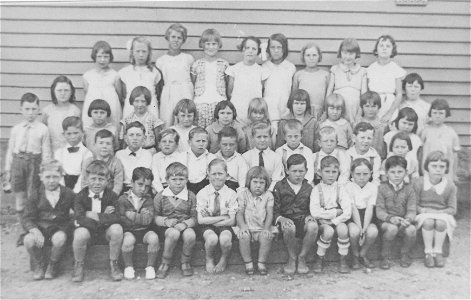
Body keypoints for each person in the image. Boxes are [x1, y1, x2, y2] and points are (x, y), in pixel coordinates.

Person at [4, 93, 52, 246]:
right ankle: (22, 229)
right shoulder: (16, 129)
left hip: (34, 163)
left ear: (38, 110)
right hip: (18, 163)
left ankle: (30, 229)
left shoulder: (43, 129)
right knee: (20, 198)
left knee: (32, 198)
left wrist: (45, 171)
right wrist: (7, 171)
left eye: (33, 109)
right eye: (27, 109)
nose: (30, 113)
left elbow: (46, 152)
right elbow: (10, 151)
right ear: (21, 110)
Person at [22, 160, 75, 280]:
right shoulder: (35, 194)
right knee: (28, 240)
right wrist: (35, 231)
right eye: (48, 177)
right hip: (41, 228)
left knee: (60, 239)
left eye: (55, 177)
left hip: (59, 228)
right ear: (41, 177)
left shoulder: (68, 193)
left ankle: (53, 264)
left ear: (61, 177)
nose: (51, 181)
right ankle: (40, 264)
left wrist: (69, 225)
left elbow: (78, 211)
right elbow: (27, 218)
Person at [72, 160, 124, 282]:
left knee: (117, 229)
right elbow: (79, 218)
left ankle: (114, 264)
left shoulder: (111, 196)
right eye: (93, 179)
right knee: (80, 233)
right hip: (88, 233)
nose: (97, 183)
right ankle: (78, 264)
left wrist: (95, 215)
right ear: (87, 179)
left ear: (107, 180)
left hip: (106, 233)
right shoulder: (81, 196)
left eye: (101, 179)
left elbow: (118, 217)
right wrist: (105, 217)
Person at [272, 154, 318, 275]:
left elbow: (312, 207)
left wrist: (309, 215)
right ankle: (292, 257)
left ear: (306, 171)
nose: (298, 174)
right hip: (286, 221)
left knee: (313, 226)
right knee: (289, 227)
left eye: (301, 171)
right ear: (287, 171)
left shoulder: (309, 187)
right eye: (294, 171)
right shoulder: (279, 187)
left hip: (302, 220)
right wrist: (281, 219)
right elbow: (274, 211)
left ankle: (302, 257)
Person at [413, 151, 457, 268]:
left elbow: (452, 209)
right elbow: (414, 204)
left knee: (441, 223)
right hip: (423, 213)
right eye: (434, 166)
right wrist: (423, 210)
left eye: (442, 167)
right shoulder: (419, 182)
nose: (438, 169)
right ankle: (428, 252)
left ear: (446, 169)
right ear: (427, 166)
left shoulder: (450, 185)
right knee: (428, 222)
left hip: (442, 214)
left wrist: (440, 212)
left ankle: (438, 252)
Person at [153, 162, 198, 278]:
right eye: (174, 179)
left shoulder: (191, 196)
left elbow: (195, 217)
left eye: (181, 179)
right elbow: (154, 216)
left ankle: (185, 261)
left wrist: (185, 224)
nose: (178, 182)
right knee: (173, 233)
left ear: (187, 179)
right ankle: (165, 262)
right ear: (167, 180)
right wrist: (165, 221)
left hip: (185, 226)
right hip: (167, 229)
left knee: (190, 236)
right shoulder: (161, 196)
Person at [310, 156, 352, 274]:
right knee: (328, 231)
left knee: (343, 229)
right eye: (327, 172)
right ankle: (319, 257)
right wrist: (334, 212)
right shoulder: (316, 189)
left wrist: (333, 221)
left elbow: (347, 211)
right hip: (323, 222)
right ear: (319, 172)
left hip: (338, 220)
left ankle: (343, 259)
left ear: (338, 173)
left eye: (334, 172)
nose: (331, 175)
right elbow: (315, 212)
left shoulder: (341, 188)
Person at [196, 159, 238, 273]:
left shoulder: (231, 194)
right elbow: (200, 220)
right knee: (212, 239)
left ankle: (224, 259)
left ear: (227, 175)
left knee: (225, 239)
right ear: (208, 175)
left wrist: (209, 219)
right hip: (209, 226)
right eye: (214, 174)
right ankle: (209, 258)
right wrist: (223, 217)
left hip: (224, 226)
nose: (217, 177)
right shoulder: (202, 193)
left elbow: (232, 221)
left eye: (220, 174)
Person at [376, 156, 417, 269]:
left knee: (412, 230)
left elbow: (412, 209)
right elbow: (379, 211)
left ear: (406, 172)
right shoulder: (382, 188)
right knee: (392, 228)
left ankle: (405, 253)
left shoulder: (409, 189)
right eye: (392, 172)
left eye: (400, 171)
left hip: (403, 221)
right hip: (386, 222)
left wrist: (408, 219)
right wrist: (390, 218)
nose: (396, 175)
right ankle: (385, 255)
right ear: (386, 173)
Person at [235, 166, 277, 275]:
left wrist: (266, 228)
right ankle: (248, 263)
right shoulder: (243, 195)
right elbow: (239, 213)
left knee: (266, 237)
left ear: (266, 184)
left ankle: (261, 262)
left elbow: (269, 214)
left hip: (261, 227)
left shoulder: (268, 196)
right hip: (248, 227)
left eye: (261, 183)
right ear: (249, 182)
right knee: (243, 236)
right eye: (255, 182)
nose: (258, 185)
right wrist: (243, 226)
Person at [118, 167, 158, 280]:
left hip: (144, 230)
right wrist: (140, 216)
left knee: (154, 238)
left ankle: (150, 267)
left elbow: (148, 220)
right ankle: (129, 266)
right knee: (128, 240)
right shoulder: (122, 199)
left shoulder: (149, 200)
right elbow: (121, 218)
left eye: (147, 186)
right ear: (131, 183)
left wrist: (131, 215)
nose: (143, 189)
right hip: (129, 231)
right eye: (140, 184)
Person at [157, 23, 194, 126]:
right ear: (168, 38)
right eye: (173, 37)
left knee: (185, 117)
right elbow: (160, 83)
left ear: (183, 40)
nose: (176, 40)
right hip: (169, 92)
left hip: (185, 90)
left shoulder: (188, 58)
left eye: (179, 38)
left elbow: (192, 78)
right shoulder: (161, 61)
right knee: (167, 119)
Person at [191, 28, 229, 128]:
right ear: (202, 45)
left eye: (214, 44)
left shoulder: (224, 64)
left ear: (219, 45)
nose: (211, 47)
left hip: (219, 103)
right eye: (208, 44)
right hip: (200, 104)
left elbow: (228, 84)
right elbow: (192, 83)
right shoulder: (197, 64)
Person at [226, 36, 270, 121]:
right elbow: (229, 92)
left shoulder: (261, 71)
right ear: (243, 50)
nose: (250, 51)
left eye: (254, 49)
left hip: (255, 113)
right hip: (237, 111)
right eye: (247, 48)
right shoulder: (234, 69)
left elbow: (262, 90)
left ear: (258, 52)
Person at [345, 158, 378, 270]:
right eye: (358, 174)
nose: (362, 177)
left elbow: (369, 208)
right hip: (353, 216)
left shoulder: (373, 187)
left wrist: (364, 229)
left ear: (371, 174)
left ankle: (363, 254)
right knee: (355, 232)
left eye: (365, 174)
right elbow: (353, 208)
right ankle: (355, 255)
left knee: (372, 231)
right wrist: (360, 230)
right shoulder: (348, 186)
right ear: (352, 174)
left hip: (367, 216)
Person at [119, 36, 161, 118]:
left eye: (144, 51)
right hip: (131, 107)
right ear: (132, 52)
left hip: (151, 107)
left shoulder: (154, 72)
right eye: (138, 51)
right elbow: (123, 95)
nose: (141, 54)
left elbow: (158, 93)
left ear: (149, 53)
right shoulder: (124, 72)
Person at [82, 41, 122, 129]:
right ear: (94, 57)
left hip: (111, 110)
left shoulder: (115, 75)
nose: (102, 60)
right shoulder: (87, 76)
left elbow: (119, 95)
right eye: (99, 56)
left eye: (106, 57)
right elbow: (86, 94)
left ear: (110, 57)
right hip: (94, 110)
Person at [327, 38, 367, 123]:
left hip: (354, 109)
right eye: (345, 53)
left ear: (356, 54)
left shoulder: (362, 71)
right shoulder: (335, 69)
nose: (347, 56)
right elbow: (329, 92)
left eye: (351, 53)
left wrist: (359, 113)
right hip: (337, 108)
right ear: (340, 53)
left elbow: (364, 95)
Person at [366, 35, 406, 122]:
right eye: (381, 46)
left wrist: (389, 113)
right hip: (373, 105)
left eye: (388, 46)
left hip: (390, 104)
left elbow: (399, 94)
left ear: (392, 51)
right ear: (376, 50)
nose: (384, 48)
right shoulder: (371, 69)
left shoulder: (396, 69)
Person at [262, 33, 296, 133]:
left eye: (279, 47)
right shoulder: (265, 67)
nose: (276, 50)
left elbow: (293, 89)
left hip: (285, 109)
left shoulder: (290, 67)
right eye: (272, 47)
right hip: (269, 109)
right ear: (268, 49)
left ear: (284, 49)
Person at [420, 99, 460, 182]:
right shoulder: (425, 131)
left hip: (445, 171)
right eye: (434, 113)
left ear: (446, 114)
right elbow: (420, 152)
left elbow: (455, 155)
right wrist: (421, 170)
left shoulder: (451, 132)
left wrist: (454, 173)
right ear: (430, 114)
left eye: (441, 113)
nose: (437, 116)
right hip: (428, 170)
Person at [119, 86, 164, 155]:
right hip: (132, 152)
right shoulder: (127, 120)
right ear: (132, 102)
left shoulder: (153, 120)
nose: (140, 105)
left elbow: (158, 141)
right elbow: (124, 142)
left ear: (147, 102)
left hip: (149, 152)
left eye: (143, 101)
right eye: (136, 101)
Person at [41, 76, 81, 151]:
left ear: (71, 92)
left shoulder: (75, 111)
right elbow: (43, 135)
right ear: (53, 91)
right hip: (51, 151)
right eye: (59, 90)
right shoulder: (47, 111)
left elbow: (78, 136)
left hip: (70, 152)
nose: (63, 93)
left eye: (66, 90)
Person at [291, 42, 329, 119]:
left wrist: (325, 113)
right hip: (302, 112)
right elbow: (294, 96)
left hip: (320, 113)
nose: (311, 58)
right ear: (303, 57)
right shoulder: (299, 75)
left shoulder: (325, 75)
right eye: (308, 55)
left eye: (314, 55)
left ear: (319, 57)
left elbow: (328, 96)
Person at [53, 116, 93, 191]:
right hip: (63, 187)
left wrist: (76, 192)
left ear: (82, 133)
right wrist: (63, 191)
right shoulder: (59, 153)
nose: (73, 137)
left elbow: (84, 175)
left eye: (76, 133)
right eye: (69, 134)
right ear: (63, 134)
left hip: (80, 187)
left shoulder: (87, 154)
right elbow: (58, 173)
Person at [80, 129, 124, 195]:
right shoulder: (88, 162)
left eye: (108, 144)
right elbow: (84, 183)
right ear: (94, 145)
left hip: (109, 197)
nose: (104, 146)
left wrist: (111, 198)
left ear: (112, 146)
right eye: (101, 143)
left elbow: (118, 185)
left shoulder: (116, 163)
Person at [243, 122, 284, 191]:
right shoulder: (246, 157)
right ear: (252, 138)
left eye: (265, 137)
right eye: (259, 137)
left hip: (271, 191)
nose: (262, 140)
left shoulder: (276, 157)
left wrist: (269, 192)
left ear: (270, 137)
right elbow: (244, 178)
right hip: (251, 192)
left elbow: (277, 178)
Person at [115, 121, 152, 194]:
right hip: (124, 189)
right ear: (125, 138)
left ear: (144, 138)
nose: (135, 138)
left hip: (143, 189)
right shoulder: (119, 154)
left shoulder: (147, 154)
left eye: (138, 135)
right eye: (131, 135)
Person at [275, 119, 314, 184]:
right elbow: (279, 173)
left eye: (296, 136)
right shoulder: (279, 152)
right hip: (285, 185)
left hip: (303, 184)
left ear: (301, 136)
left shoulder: (307, 151)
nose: (293, 139)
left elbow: (309, 173)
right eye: (290, 136)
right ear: (284, 137)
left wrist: (303, 185)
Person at [215, 127, 249, 192]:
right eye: (225, 144)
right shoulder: (213, 158)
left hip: (234, 192)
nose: (228, 148)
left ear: (236, 144)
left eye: (231, 144)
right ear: (219, 144)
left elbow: (243, 185)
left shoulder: (240, 160)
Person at [151, 129, 184, 194]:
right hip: (159, 189)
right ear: (159, 144)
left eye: (171, 142)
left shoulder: (180, 157)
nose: (167, 144)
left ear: (176, 145)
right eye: (164, 141)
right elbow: (155, 178)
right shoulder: (156, 157)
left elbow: (179, 177)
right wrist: (162, 192)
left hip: (176, 189)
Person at [184, 127, 216, 195]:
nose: (201, 144)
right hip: (186, 193)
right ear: (189, 142)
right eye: (198, 141)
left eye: (204, 141)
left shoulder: (212, 158)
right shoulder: (182, 157)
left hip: (206, 194)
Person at [355, 91, 387, 158]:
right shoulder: (358, 122)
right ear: (362, 107)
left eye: (373, 106)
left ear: (379, 107)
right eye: (367, 106)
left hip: (377, 157)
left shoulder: (382, 124)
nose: (370, 109)